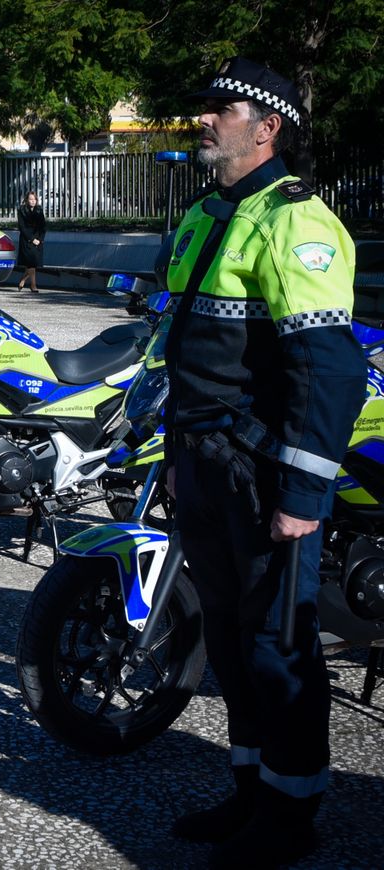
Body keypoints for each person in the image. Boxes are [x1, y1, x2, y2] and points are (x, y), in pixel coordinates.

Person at [160, 58, 365, 866]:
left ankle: (290, 816)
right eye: (204, 106)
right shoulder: (208, 213)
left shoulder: (294, 219)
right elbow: (187, 349)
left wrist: (304, 494)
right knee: (232, 638)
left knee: (279, 646)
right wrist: (174, 454)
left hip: (261, 473)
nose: (205, 118)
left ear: (268, 126)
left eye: (223, 107)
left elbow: (329, 371)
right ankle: (249, 791)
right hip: (203, 460)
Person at [14, 191, 45, 292]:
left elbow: (43, 226)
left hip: (38, 239)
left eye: (34, 199)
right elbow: (22, 227)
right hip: (27, 240)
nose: (33, 201)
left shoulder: (39, 210)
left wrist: (40, 239)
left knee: (33, 263)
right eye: (31, 199)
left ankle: (23, 280)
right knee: (31, 263)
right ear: (27, 200)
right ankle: (33, 285)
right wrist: (32, 239)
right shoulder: (22, 210)